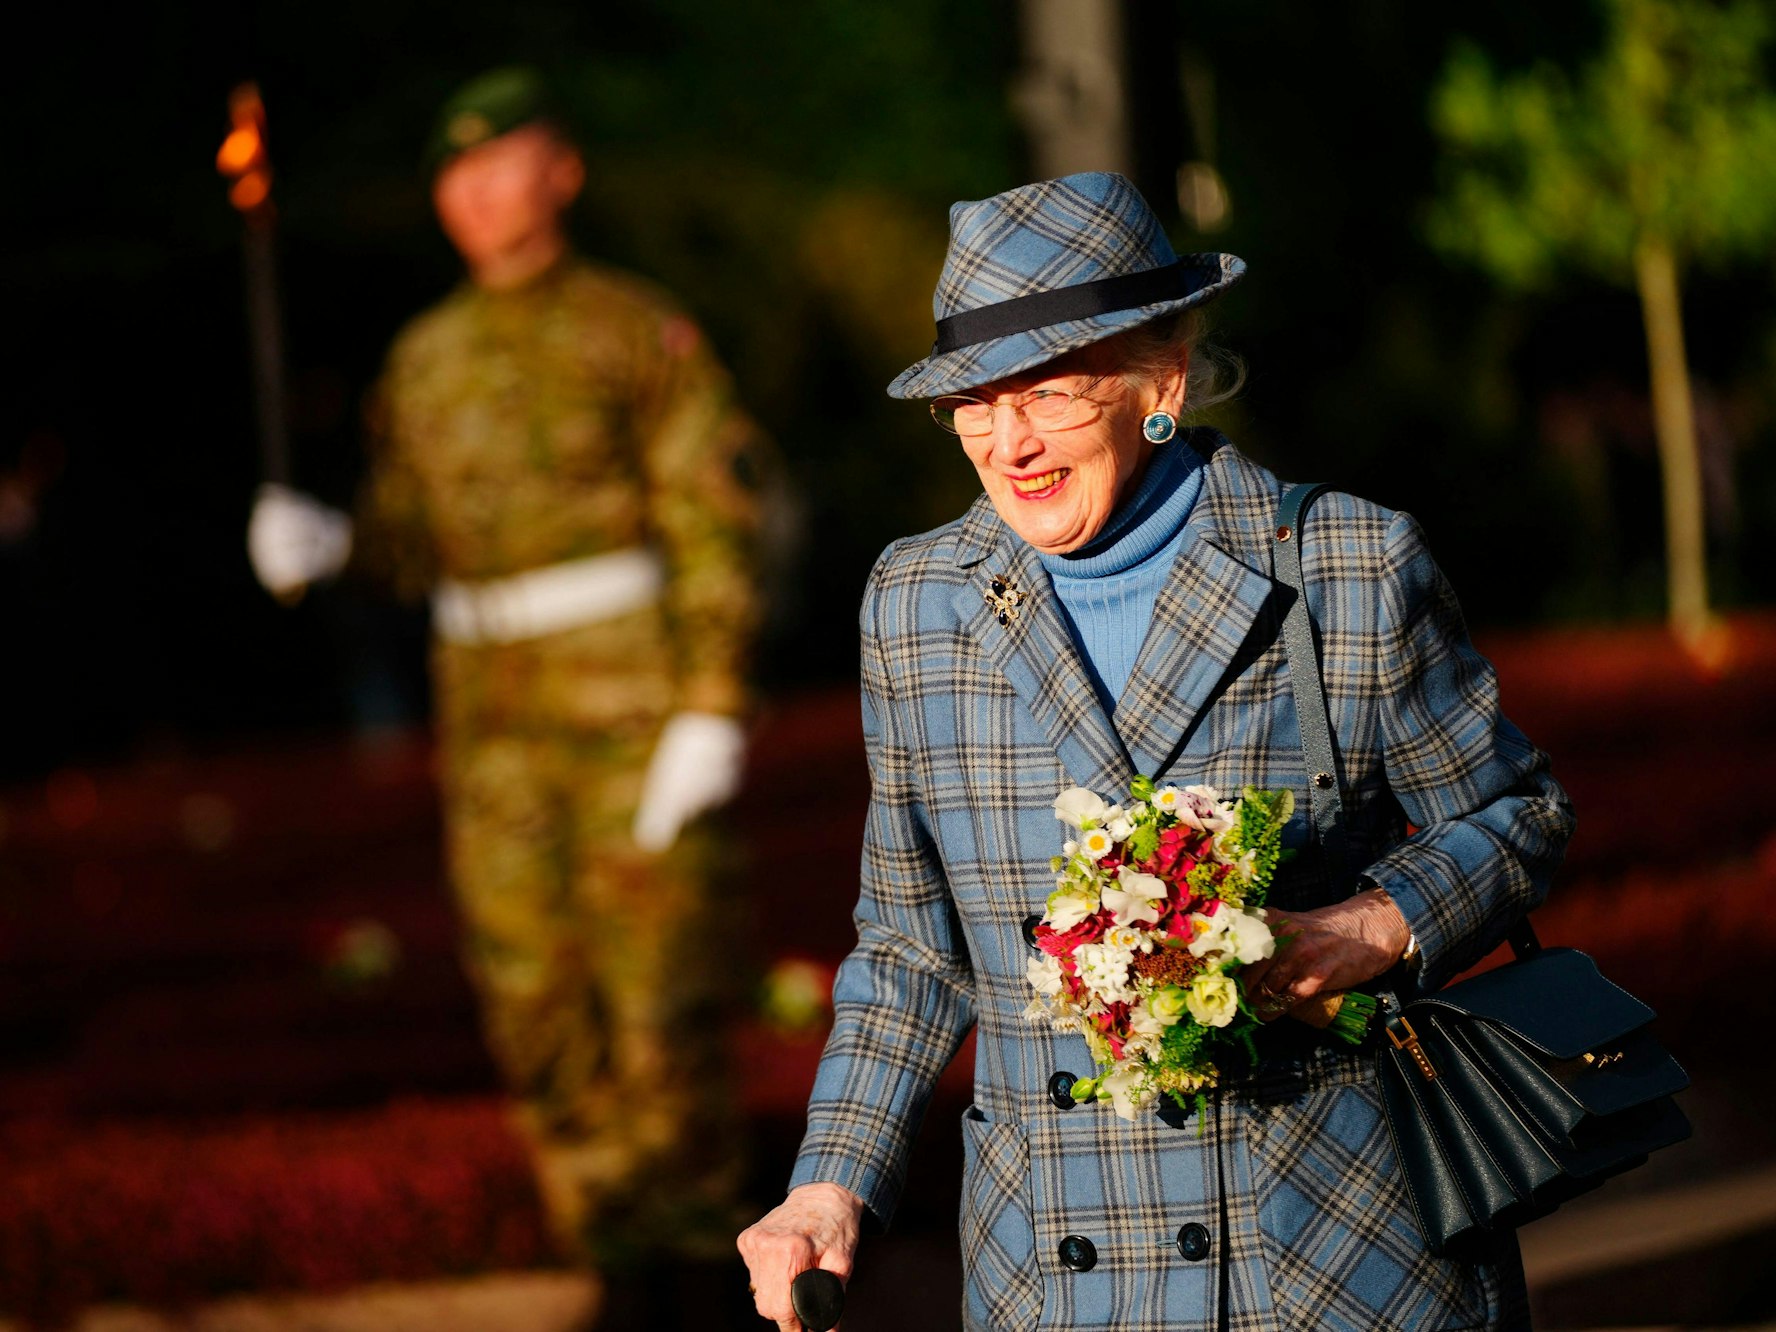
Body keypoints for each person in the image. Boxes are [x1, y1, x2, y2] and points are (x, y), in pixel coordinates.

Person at [737, 172, 1573, 1331]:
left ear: (1160, 379)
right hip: (1057, 1269)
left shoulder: (1345, 567)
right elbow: (910, 946)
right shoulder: (916, 602)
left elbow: (1519, 816)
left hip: (1332, 1249)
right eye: (973, 404)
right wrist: (830, 1184)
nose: (1009, 443)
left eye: (1053, 393)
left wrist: (1367, 928)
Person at [247, 68, 773, 1292]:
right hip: (491, 720)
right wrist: (329, 545)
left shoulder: (636, 329)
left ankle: (695, 1255)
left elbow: (713, 521)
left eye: (503, 162)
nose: (477, 192)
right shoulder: (424, 359)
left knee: (662, 991)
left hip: (631, 704)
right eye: (455, 174)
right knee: (531, 991)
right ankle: (600, 1242)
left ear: (563, 173)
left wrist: (710, 701)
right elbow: (407, 541)